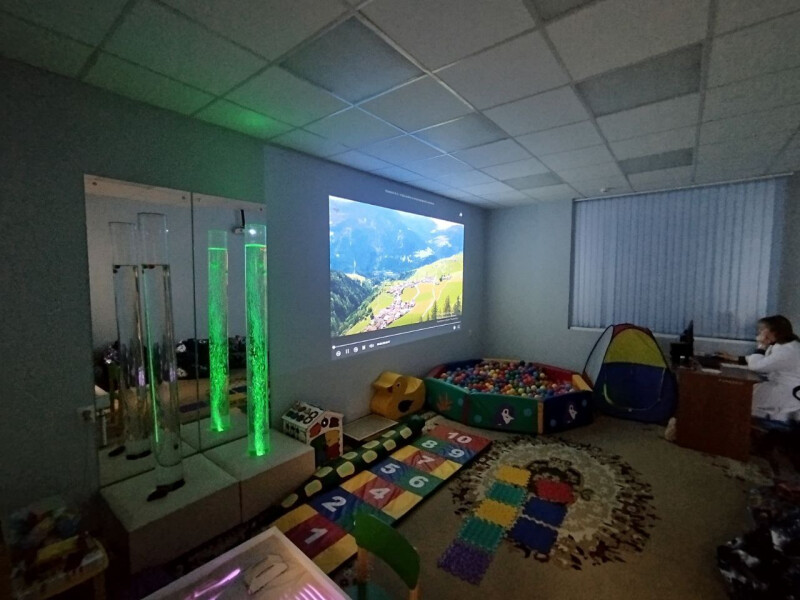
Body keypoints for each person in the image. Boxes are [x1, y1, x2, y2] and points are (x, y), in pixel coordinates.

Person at [718, 315, 800, 422]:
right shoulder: (784, 345)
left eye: (762, 330)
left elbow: (757, 366)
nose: (759, 332)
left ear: (774, 332)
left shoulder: (788, 350)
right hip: (780, 385)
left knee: (742, 398)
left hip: (787, 391)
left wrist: (761, 345)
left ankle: (742, 428)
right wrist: (735, 358)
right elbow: (767, 360)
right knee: (745, 394)